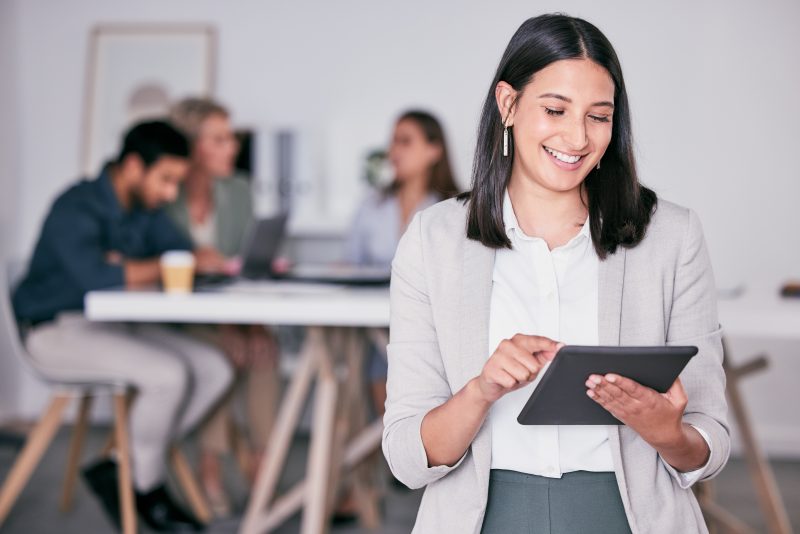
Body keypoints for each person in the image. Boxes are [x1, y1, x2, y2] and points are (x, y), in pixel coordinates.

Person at [382, 14, 729, 534]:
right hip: (481, 517)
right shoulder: (434, 240)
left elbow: (711, 438)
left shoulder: (671, 237)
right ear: (509, 104)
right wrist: (481, 390)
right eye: (555, 109)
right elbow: (407, 457)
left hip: (628, 515)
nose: (577, 137)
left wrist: (665, 432)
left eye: (599, 116)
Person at [13, 120, 234, 532]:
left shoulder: (144, 211)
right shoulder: (75, 206)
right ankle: (147, 489)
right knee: (168, 375)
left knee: (215, 368)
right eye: (165, 180)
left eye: (177, 184)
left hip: (109, 326)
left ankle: (119, 466)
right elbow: (97, 278)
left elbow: (182, 253)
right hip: (54, 331)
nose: (170, 194)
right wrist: (141, 268)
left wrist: (131, 267)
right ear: (133, 166)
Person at [166, 97, 281, 517]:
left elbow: (242, 269)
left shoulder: (238, 190)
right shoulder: (164, 191)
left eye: (230, 137)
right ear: (192, 146)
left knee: (264, 349)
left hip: (227, 308)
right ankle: (210, 469)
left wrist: (248, 324)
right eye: (219, 139)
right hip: (176, 319)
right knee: (222, 353)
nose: (232, 146)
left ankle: (261, 466)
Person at [345, 110, 459, 415]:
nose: (394, 151)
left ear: (434, 150)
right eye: (393, 141)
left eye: (405, 141)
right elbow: (350, 263)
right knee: (371, 362)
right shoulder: (371, 205)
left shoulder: (454, 209)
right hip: (374, 324)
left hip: (432, 332)